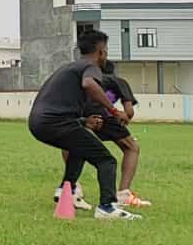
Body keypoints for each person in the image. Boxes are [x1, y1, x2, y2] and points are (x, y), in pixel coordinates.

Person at [28, 30, 141, 220]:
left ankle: (67, 189)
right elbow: (89, 84)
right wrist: (113, 111)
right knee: (107, 161)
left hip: (38, 122)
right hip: (57, 123)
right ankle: (107, 208)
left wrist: (83, 121)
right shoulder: (92, 68)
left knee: (78, 148)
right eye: (106, 51)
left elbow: (61, 102)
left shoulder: (70, 67)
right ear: (101, 52)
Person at [67, 60, 151, 208]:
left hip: (76, 112)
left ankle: (73, 189)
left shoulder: (81, 78)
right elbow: (129, 111)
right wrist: (122, 118)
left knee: (70, 143)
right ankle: (123, 194)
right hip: (102, 113)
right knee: (131, 147)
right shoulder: (117, 81)